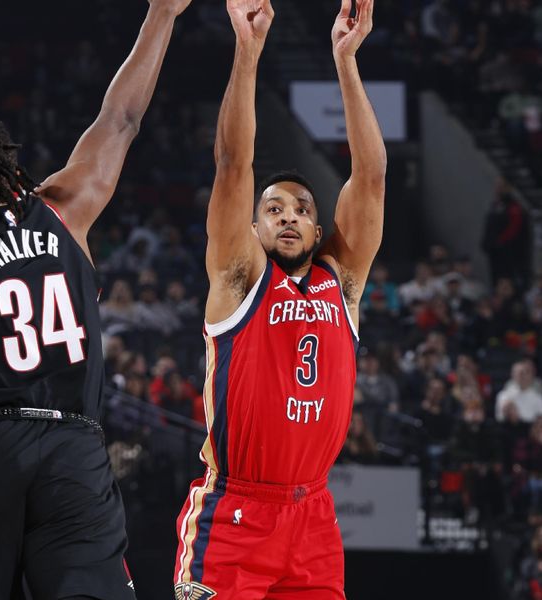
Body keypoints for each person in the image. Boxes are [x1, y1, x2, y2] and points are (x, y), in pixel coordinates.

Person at [0, 0, 193, 597]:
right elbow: (122, 117)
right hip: (75, 450)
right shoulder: (67, 209)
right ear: (17, 176)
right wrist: (163, 12)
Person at [173, 0, 386, 597]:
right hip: (235, 512)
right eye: (273, 209)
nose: (289, 217)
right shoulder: (239, 279)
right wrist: (248, 51)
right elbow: (232, 163)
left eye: (302, 210)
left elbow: (370, 177)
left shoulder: (340, 281)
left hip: (313, 515)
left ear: (319, 232)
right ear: (255, 228)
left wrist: (346, 61)